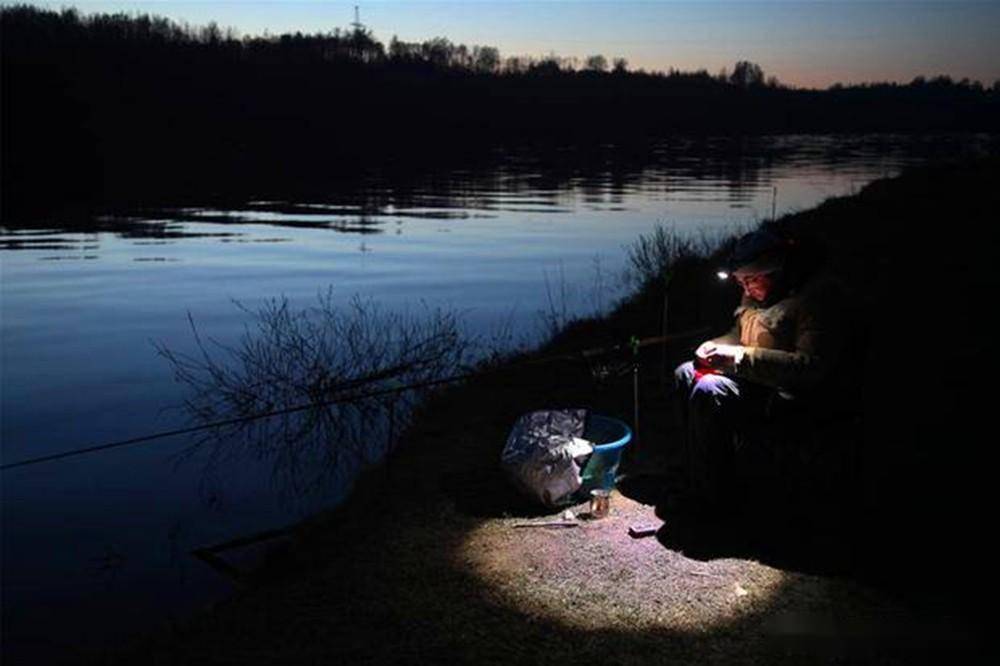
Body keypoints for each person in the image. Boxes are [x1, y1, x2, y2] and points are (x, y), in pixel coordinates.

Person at [666, 228, 852, 518]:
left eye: (751, 280)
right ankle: (692, 471)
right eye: (741, 282)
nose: (746, 289)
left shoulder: (818, 297)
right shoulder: (756, 293)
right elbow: (739, 334)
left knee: (709, 389)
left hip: (789, 397)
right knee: (684, 373)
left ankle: (716, 497)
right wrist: (716, 345)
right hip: (756, 378)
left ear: (776, 271)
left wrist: (738, 357)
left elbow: (811, 367)